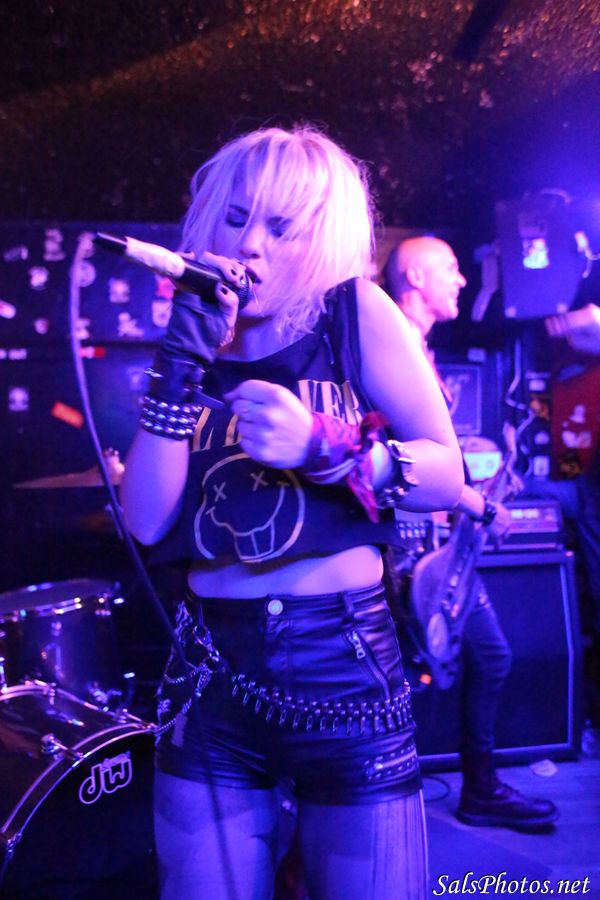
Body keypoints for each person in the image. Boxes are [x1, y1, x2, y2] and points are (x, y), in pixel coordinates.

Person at [120, 127, 464, 900]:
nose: (252, 243)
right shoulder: (193, 336)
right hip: (211, 677)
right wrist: (179, 363)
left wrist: (324, 446)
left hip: (345, 667)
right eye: (236, 217)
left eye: (282, 226)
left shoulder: (352, 314)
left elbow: (446, 472)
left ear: (322, 238)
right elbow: (145, 521)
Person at [384, 235, 560, 830]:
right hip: (406, 552)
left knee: (488, 656)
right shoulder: (393, 346)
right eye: (451, 268)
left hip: (437, 549)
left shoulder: (418, 349)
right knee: (405, 678)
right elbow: (398, 458)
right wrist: (476, 504)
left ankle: (479, 790)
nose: (462, 280)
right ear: (415, 277)